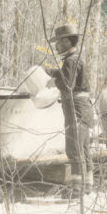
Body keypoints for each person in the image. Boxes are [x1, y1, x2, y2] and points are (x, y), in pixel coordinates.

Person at [45, 23, 94, 199]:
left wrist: (53, 82)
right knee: (84, 149)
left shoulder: (70, 61)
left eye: (58, 42)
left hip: (76, 110)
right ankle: (87, 185)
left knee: (74, 149)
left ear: (66, 41)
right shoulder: (75, 59)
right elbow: (67, 75)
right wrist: (51, 72)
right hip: (84, 109)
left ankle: (76, 190)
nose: (56, 46)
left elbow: (68, 85)